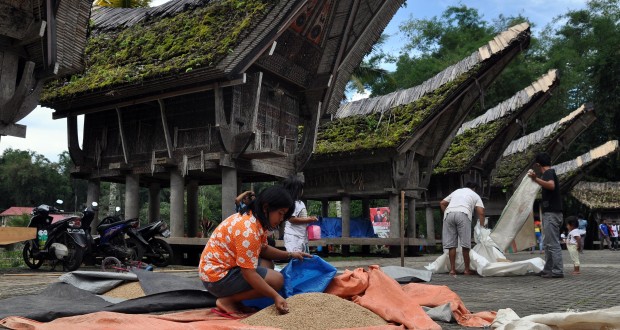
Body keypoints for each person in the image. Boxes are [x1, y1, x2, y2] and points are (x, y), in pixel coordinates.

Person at [199, 186, 311, 316]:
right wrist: (276, 296)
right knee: (277, 280)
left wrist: (291, 254)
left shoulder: (254, 220)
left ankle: (237, 301)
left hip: (220, 272)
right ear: (266, 208)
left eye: (284, 215)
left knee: (267, 264)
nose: (281, 219)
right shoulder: (248, 231)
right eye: (280, 213)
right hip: (216, 278)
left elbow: (264, 249)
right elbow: (248, 273)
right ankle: (227, 300)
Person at [528, 152, 564, 278]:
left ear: (538, 164)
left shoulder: (548, 173)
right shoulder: (550, 173)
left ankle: (557, 271)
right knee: (548, 243)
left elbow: (551, 185)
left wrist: (535, 179)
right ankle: (548, 269)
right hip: (553, 214)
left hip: (552, 214)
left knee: (553, 244)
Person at [439, 181, 485, 276]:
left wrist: (447, 214)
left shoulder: (456, 191)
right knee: (465, 245)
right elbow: (481, 212)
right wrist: (482, 226)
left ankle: (452, 270)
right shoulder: (474, 195)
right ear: (474, 188)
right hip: (463, 213)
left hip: (449, 214)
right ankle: (467, 270)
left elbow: (442, 203)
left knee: (452, 245)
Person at [282, 176, 318, 253]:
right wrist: (309, 219)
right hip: (293, 236)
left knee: (302, 258)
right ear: (296, 190)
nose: (302, 191)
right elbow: (291, 219)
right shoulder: (292, 203)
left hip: (301, 235)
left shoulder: (300, 203)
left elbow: (301, 217)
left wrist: (308, 218)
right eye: (301, 189)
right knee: (296, 258)